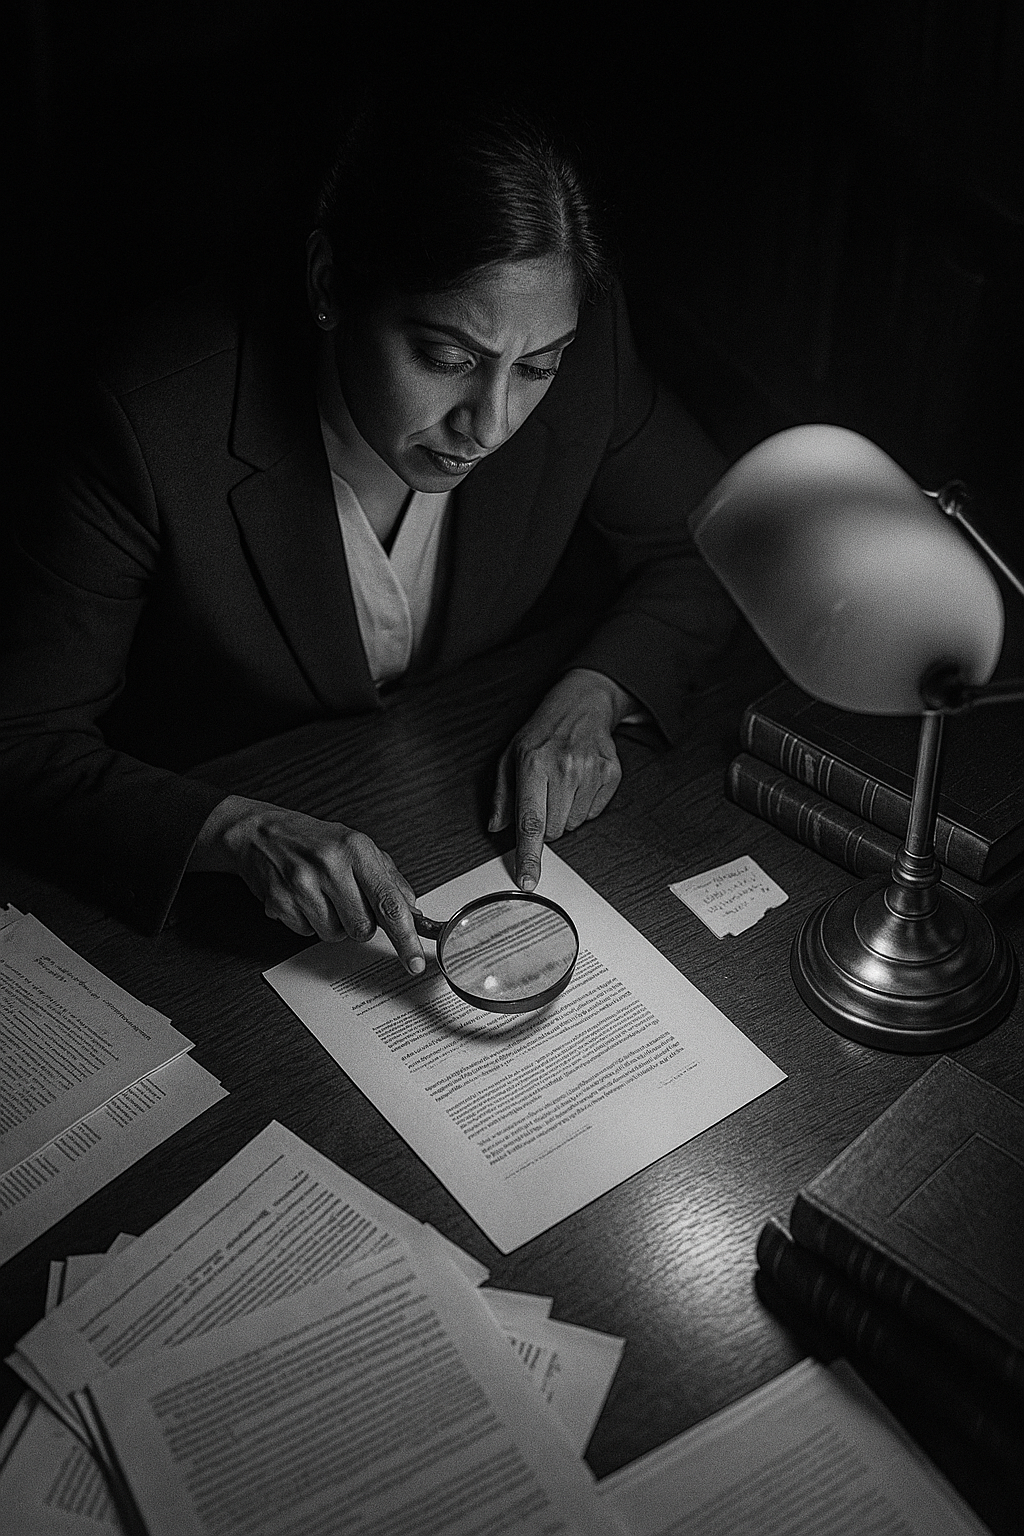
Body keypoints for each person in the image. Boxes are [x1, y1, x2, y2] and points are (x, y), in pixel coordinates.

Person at [0, 93, 734, 971]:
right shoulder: (147, 420)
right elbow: (21, 740)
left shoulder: (583, 347)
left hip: (439, 802)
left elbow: (718, 539)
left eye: (536, 368)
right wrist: (235, 829)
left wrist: (598, 692)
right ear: (328, 285)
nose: (491, 423)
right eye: (445, 359)